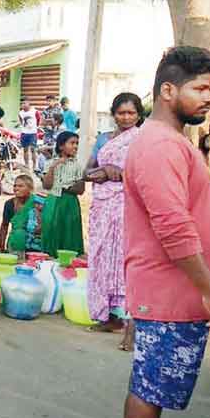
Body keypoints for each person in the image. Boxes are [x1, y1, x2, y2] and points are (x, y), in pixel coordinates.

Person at [122, 46, 210, 418]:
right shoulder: (160, 146)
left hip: (175, 291)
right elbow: (171, 226)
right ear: (168, 90)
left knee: (156, 382)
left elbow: (178, 209)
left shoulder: (171, 142)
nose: (209, 97)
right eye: (201, 88)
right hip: (171, 292)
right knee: (150, 386)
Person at [84, 92, 144, 344]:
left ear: (139, 115)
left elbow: (147, 174)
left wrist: (120, 173)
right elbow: (86, 172)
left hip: (128, 207)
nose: (126, 117)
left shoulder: (142, 140)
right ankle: (110, 317)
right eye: (121, 113)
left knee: (124, 259)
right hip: (102, 207)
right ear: (113, 114)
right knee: (99, 256)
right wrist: (104, 171)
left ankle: (132, 324)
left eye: (131, 113)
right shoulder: (104, 139)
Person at [40, 131, 85, 257]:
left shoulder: (77, 166)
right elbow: (47, 185)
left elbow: (80, 189)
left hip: (70, 202)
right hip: (53, 200)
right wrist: (53, 167)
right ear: (61, 146)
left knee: (69, 230)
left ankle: (68, 259)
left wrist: (64, 188)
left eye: (77, 143)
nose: (75, 146)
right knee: (51, 228)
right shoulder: (50, 163)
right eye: (72, 143)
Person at [0, 174, 40, 254]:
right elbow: (4, 225)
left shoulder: (37, 203)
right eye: (15, 186)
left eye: (20, 186)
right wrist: (1, 246)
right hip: (15, 242)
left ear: (30, 188)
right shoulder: (9, 204)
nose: (16, 188)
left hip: (34, 245)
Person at [18, 99, 38, 172]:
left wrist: (35, 128)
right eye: (22, 103)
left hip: (33, 133)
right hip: (24, 133)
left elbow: (38, 120)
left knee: (33, 149)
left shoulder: (34, 111)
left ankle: (35, 165)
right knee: (25, 149)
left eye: (25, 103)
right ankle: (26, 164)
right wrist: (23, 128)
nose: (23, 105)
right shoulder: (20, 113)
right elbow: (21, 121)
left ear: (29, 103)